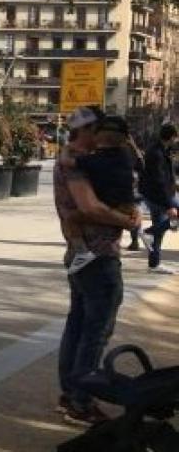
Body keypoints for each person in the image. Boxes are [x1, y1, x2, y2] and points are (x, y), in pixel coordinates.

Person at [54, 106, 140, 425]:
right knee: (95, 331)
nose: (104, 138)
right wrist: (127, 221)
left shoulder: (80, 159)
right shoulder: (77, 163)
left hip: (83, 255)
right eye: (99, 130)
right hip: (96, 256)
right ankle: (80, 400)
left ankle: (71, 393)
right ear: (88, 131)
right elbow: (89, 206)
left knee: (78, 326)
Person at [59, 117, 143, 275]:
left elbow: (66, 161)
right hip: (127, 205)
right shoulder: (125, 156)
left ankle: (82, 252)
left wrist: (66, 148)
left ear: (97, 137)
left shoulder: (94, 160)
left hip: (110, 207)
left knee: (70, 218)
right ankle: (140, 232)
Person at [138, 123, 179, 274]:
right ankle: (148, 232)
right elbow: (159, 180)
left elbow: (168, 174)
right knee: (161, 226)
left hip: (158, 194)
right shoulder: (156, 153)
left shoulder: (161, 149)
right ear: (172, 136)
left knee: (160, 229)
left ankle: (154, 264)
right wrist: (169, 205)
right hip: (158, 196)